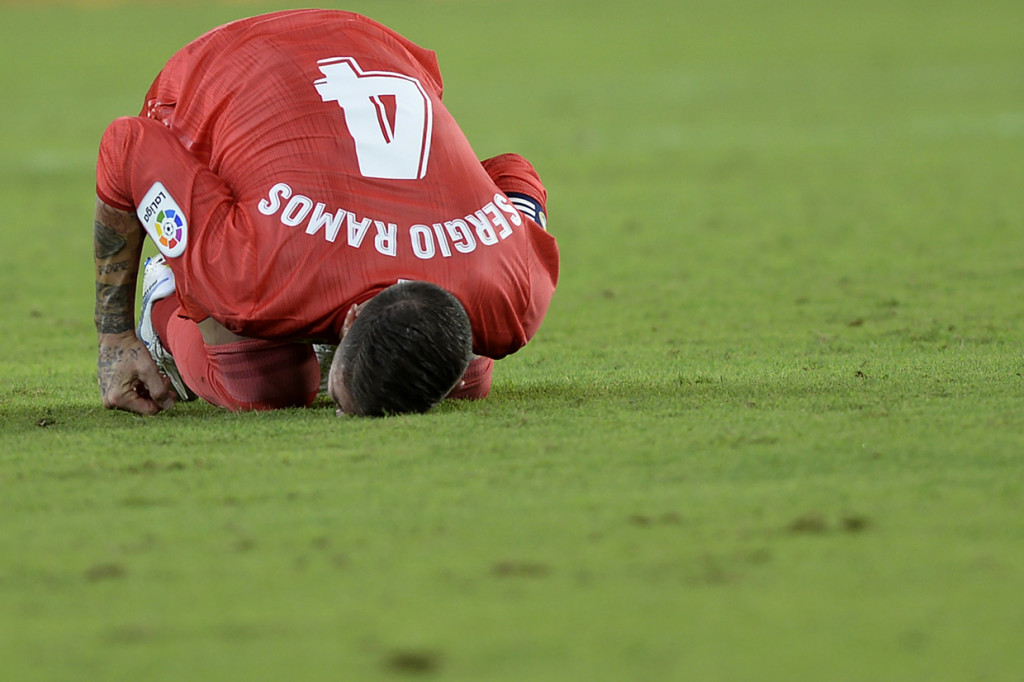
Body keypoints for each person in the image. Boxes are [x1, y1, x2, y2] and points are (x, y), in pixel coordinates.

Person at [93, 9, 558, 417]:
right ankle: (164, 297)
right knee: (258, 385)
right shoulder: (251, 272)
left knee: (468, 379)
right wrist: (115, 338)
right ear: (351, 319)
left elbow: (513, 173)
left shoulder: (513, 289)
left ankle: (321, 329)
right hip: (219, 67)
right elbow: (127, 145)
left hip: (374, 45)